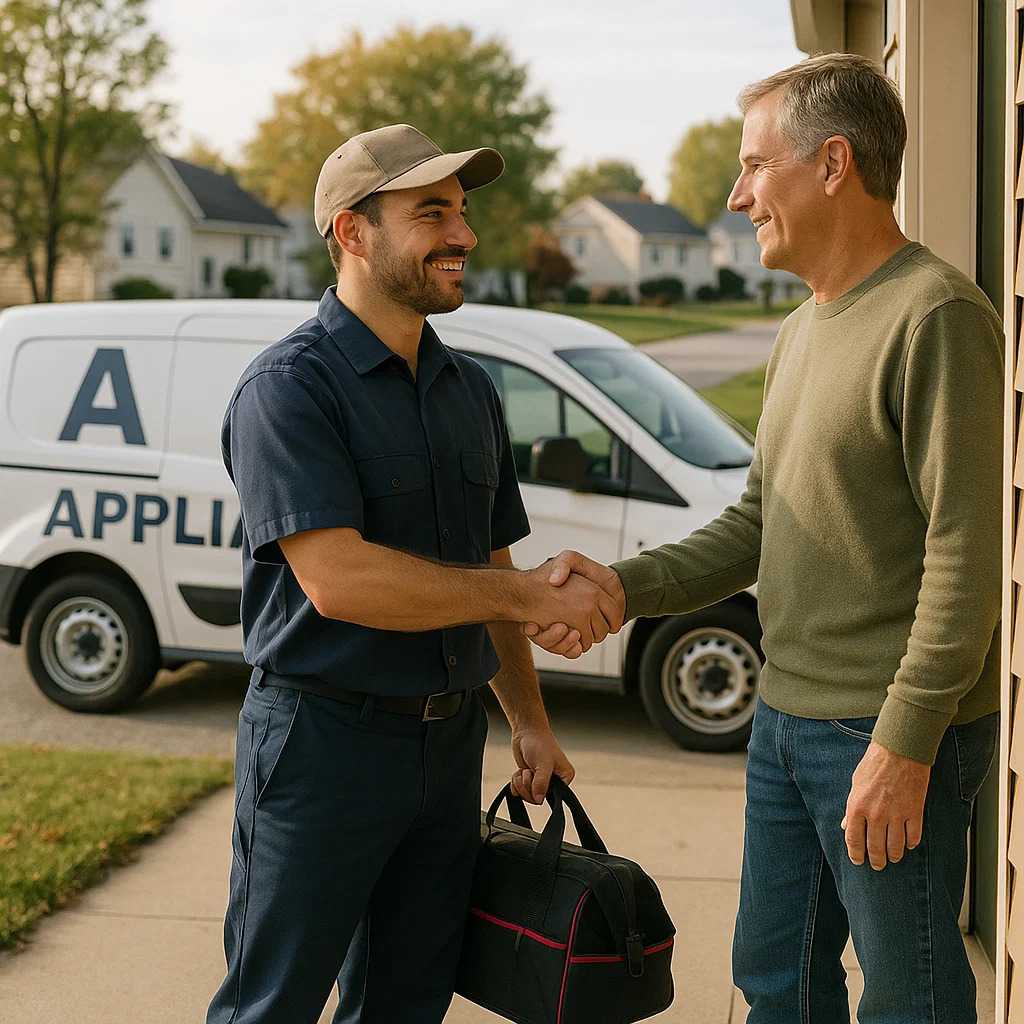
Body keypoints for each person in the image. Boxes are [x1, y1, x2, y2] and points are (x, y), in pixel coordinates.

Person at [527, 54, 1002, 1023]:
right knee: (773, 978)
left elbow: (966, 553)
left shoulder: (936, 316)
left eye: (753, 165)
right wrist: (618, 585)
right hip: (784, 721)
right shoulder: (798, 331)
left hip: (880, 730)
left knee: (909, 998)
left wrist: (904, 739)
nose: (738, 194)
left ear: (832, 164)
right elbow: (759, 522)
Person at [205, 123, 624, 1024]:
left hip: (445, 753)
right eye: (432, 213)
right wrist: (526, 595)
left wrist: (530, 722)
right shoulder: (288, 390)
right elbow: (340, 581)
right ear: (352, 234)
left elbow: (491, 561)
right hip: (321, 747)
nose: (464, 237)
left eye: (463, 213)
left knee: (406, 1004)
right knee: (270, 1005)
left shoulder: (467, 388)